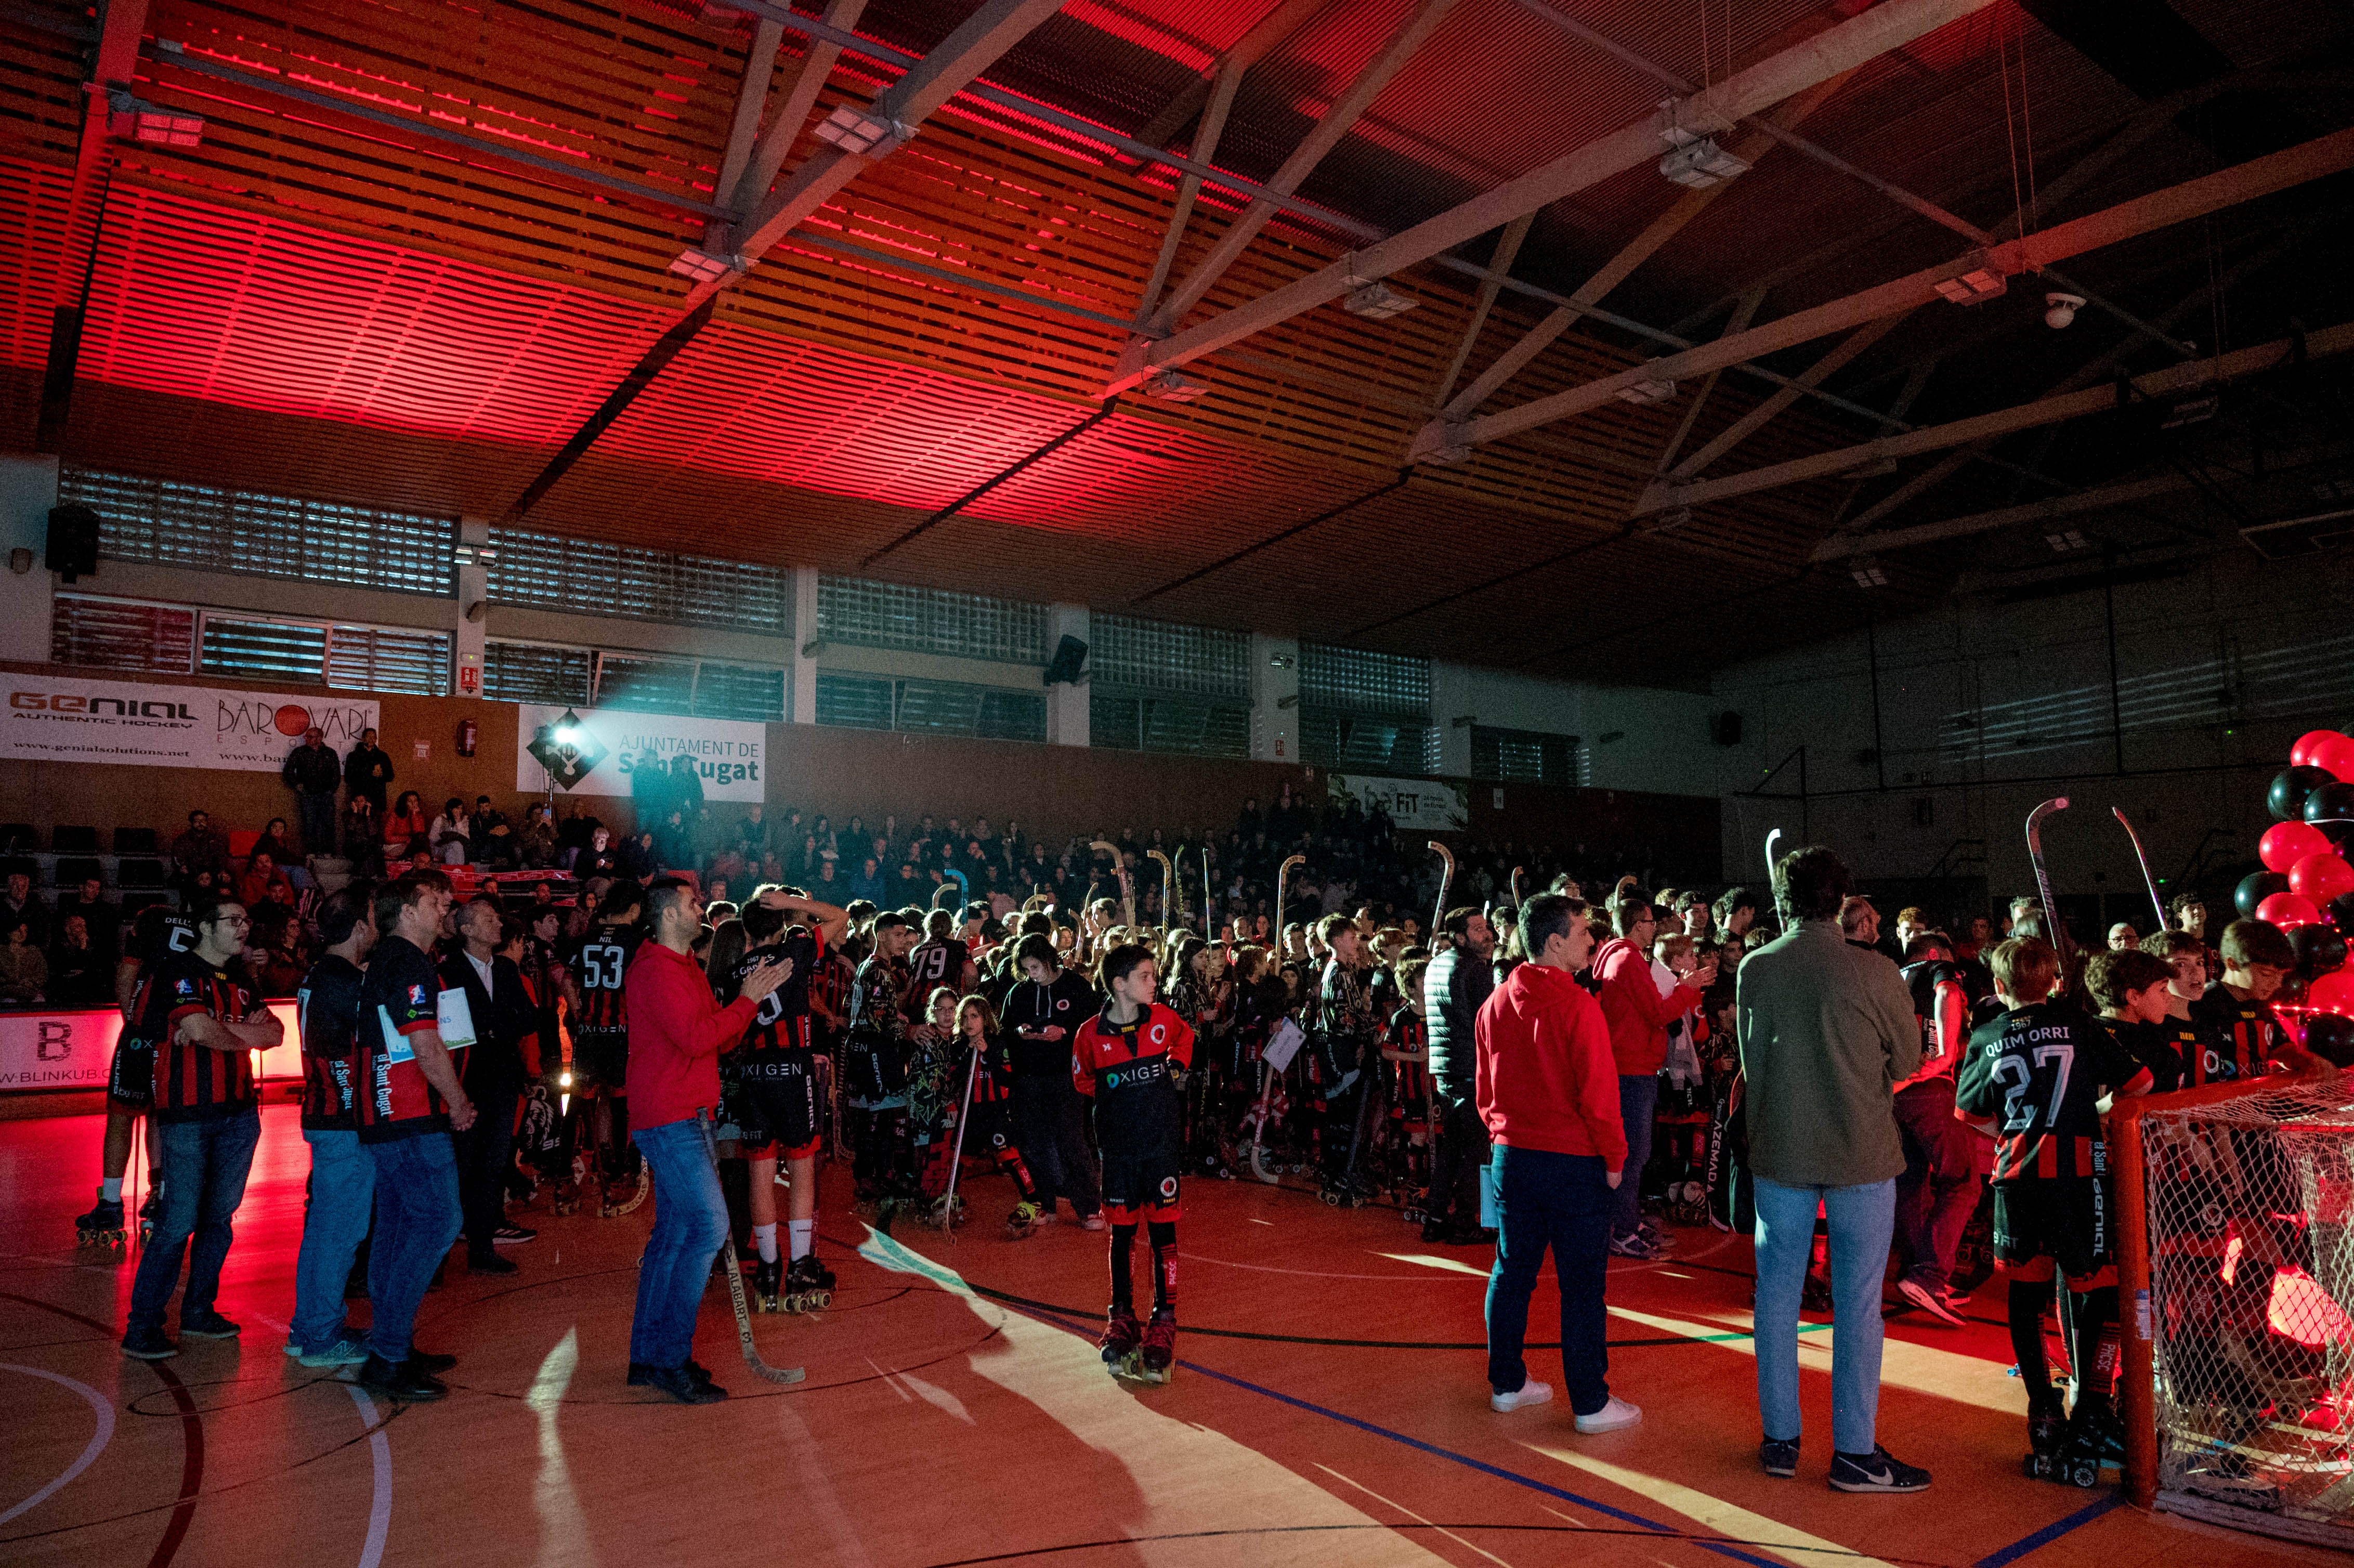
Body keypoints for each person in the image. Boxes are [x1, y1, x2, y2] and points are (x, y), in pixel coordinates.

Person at [1735, 845, 1929, 1492]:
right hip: (1860, 1153)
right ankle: (1853, 1451)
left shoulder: (1756, 968)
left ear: (1782, 899)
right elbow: (1905, 1064)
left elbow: (1748, 1057)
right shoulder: (1876, 973)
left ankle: (1780, 1440)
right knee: (1856, 1304)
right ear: (1842, 900)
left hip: (1781, 1151)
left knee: (1775, 1299)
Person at [1957, 937, 2152, 1480]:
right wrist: (2089, 1110)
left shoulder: (1987, 1034)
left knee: (2026, 1296)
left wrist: (2017, 1130)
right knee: (2097, 1293)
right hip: (2078, 1178)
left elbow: (1968, 1113)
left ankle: (2042, 1412)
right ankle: (2092, 1407)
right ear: (2055, 982)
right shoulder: (2081, 1025)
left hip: (2017, 1177)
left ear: (1998, 988)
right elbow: (2141, 1082)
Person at [1476, 893, 1638, 1432]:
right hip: (1572, 1162)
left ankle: (1507, 1383)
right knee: (1582, 1285)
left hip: (1512, 1157)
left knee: (1511, 1271)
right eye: (1583, 931)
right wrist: (1614, 1157)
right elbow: (1598, 1094)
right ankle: (1589, 1402)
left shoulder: (1495, 1003)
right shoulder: (1576, 1006)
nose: (1592, 940)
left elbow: (1484, 1091)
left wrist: (1505, 1135)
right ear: (1553, 941)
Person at [624, 876, 788, 1404]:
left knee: (674, 1233)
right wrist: (745, 1000)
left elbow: (716, 1036)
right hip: (671, 1116)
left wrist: (749, 1002)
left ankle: (650, 1357)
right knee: (709, 1226)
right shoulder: (656, 970)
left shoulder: (685, 966)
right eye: (694, 904)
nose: (702, 911)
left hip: (686, 1112)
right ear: (669, 915)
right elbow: (696, 1037)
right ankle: (670, 1358)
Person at [119, 896, 282, 1360]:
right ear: (206, 927)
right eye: (233, 920)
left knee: (219, 1220)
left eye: (247, 919)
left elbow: (275, 1034)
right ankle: (143, 1326)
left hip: (239, 1113)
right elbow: (207, 1031)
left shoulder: (243, 979)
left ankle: (198, 1311)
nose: (244, 927)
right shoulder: (176, 971)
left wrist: (213, 1029)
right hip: (188, 1114)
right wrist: (227, 1032)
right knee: (177, 1223)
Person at [352, 870, 473, 1400]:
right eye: (434, 900)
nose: (446, 906)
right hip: (407, 1114)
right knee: (439, 1221)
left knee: (399, 1228)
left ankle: (390, 1342)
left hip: (392, 1115)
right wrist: (458, 1101)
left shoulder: (398, 960)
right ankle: (389, 1355)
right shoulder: (405, 961)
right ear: (405, 911)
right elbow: (425, 1046)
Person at [1073, 942, 1194, 1383]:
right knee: (1121, 1234)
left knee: (1164, 1231)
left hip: (1160, 1147)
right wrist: (1119, 1102)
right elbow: (1083, 1079)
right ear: (1119, 984)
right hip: (1119, 1150)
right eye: (1146, 976)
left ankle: (1164, 1319)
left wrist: (1176, 1069)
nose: (1154, 982)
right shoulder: (1089, 1034)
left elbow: (1186, 1036)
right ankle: (1122, 1315)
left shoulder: (1163, 1019)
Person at [711, 899, 831, 1311]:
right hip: (793, 1072)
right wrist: (791, 903)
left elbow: (727, 1040)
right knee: (801, 1171)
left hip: (753, 1077)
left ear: (745, 933)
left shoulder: (731, 976)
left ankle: (766, 1268)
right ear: (780, 926)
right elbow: (842, 917)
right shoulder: (795, 950)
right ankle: (799, 1266)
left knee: (759, 1177)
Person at [1592, 893, 1712, 1258]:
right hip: (1633, 1068)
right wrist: (1685, 990)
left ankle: (1625, 1221)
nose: (1654, 927)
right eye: (1649, 922)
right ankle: (1622, 1228)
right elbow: (1657, 1013)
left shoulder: (1617, 957)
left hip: (1631, 1065)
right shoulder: (1627, 960)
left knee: (1631, 1152)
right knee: (1633, 1153)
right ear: (1635, 924)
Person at [287, 884, 378, 1366]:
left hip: (324, 1114)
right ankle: (321, 1336)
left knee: (325, 1229)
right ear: (360, 927)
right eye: (372, 917)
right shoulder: (344, 982)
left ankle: (309, 1328)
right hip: (342, 1118)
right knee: (339, 1232)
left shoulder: (318, 975)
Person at [1890, 932, 1980, 1326]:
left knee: (1910, 1182)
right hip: (1929, 1086)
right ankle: (1928, 1274)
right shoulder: (1937, 969)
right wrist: (1946, 1050)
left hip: (1896, 1090)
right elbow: (1946, 990)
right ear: (1932, 954)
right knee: (1963, 1181)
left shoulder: (1892, 975)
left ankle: (1914, 1274)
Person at [442, 898, 537, 1274]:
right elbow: (453, 1032)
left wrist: (493, 1028)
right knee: (461, 1166)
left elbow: (529, 1019)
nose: (498, 923)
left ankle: (482, 1248)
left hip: (500, 1081)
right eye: (488, 919)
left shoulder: (508, 971)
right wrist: (497, 1027)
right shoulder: (448, 971)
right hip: (465, 1081)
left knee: (493, 1165)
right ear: (466, 930)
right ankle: (442, 1252)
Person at [1001, 932, 1105, 1227]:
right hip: (1028, 1078)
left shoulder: (1075, 986)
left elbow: (1093, 1027)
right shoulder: (1019, 992)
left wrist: (1064, 1033)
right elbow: (1006, 1029)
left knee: (1071, 1141)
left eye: (1036, 967)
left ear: (1049, 960)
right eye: (1027, 969)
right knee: (1034, 1143)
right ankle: (1044, 1203)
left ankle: (1088, 1207)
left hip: (1065, 1078)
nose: (1032, 974)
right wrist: (1021, 1032)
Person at [559, 880, 647, 1214]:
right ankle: (616, 1181)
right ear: (634, 908)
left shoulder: (584, 940)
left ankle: (564, 1182)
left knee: (580, 1104)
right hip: (621, 1035)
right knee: (621, 1103)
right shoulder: (638, 942)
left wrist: (580, 1012)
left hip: (590, 1034)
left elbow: (568, 980)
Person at [2188, 918, 2325, 1079]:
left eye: (2281, 975)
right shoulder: (2203, 1005)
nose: (2277, 984)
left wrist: (2309, 1062)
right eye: (2266, 974)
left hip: (2255, 1102)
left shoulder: (2261, 1004)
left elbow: (2281, 1050)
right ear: (2232, 964)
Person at [845, 911, 918, 1204]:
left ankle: (877, 1174)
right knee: (877, 1112)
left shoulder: (875, 967)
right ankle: (868, 1178)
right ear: (882, 935)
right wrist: (912, 1030)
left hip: (868, 1046)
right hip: (874, 1046)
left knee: (880, 1111)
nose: (903, 941)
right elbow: (881, 1017)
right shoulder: (877, 970)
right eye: (898, 935)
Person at [1310, 912, 1378, 1203]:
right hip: (1339, 1051)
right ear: (1337, 940)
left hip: (1341, 1048)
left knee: (1344, 1112)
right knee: (1343, 1113)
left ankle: (1339, 1169)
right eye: (1352, 937)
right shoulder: (1339, 972)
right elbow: (1343, 1017)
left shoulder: (1341, 969)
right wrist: (1370, 1029)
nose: (1356, 942)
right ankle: (1340, 1171)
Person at [282, 725, 342, 858]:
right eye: (306, 736)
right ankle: (311, 852)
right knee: (309, 824)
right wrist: (297, 785)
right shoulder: (299, 752)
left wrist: (331, 790)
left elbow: (336, 775)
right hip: (308, 794)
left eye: (310, 737)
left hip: (326, 794)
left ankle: (328, 852)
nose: (306, 739)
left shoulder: (330, 753)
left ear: (319, 738)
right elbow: (288, 771)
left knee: (328, 824)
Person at [170, 809, 232, 886]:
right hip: (191, 873)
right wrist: (184, 868)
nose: (201, 823)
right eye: (197, 821)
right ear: (192, 823)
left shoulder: (215, 838)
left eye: (203, 821)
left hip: (211, 873)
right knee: (176, 880)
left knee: (226, 879)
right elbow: (177, 857)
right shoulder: (183, 838)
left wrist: (220, 871)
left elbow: (221, 856)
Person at [344, 726, 396, 813]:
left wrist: (381, 775)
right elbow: (348, 778)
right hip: (359, 797)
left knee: (376, 824)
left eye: (374, 737)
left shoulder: (383, 756)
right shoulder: (353, 756)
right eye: (369, 737)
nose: (372, 739)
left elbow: (391, 776)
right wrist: (368, 773)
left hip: (377, 797)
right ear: (363, 739)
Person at [0, 916, 45, 1002]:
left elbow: (43, 973)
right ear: (9, 932)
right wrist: (11, 981)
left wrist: (31, 982)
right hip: (6, 991)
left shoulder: (34, 951)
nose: (22, 934)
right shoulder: (1, 952)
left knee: (40, 1000)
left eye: (25, 931)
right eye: (18, 931)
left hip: (30, 990)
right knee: (9, 1001)